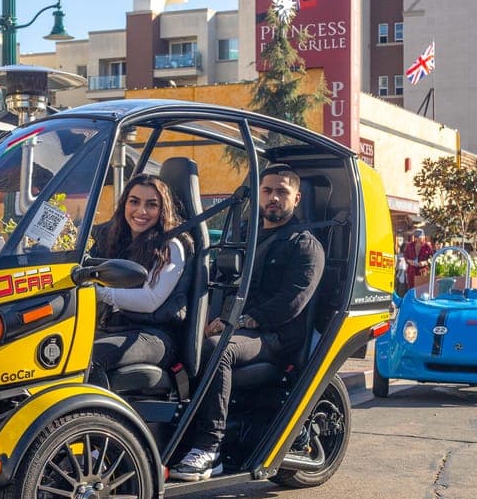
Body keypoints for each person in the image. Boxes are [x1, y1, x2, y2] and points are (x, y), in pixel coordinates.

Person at [170, 164, 325, 481]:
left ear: (296, 199)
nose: (273, 198)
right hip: (235, 326)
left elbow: (292, 301)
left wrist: (237, 322)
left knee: (216, 349)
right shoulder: (241, 237)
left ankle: (209, 447)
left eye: (282, 192)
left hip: (273, 337)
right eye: (267, 190)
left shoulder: (303, 244)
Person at [89, 174, 192, 387]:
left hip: (154, 336)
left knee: (91, 358)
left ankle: (96, 419)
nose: (141, 211)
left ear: (162, 210)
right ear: (124, 204)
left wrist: (99, 291)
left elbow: (150, 300)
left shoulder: (172, 246)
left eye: (152, 205)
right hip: (114, 328)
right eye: (134, 201)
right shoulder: (114, 240)